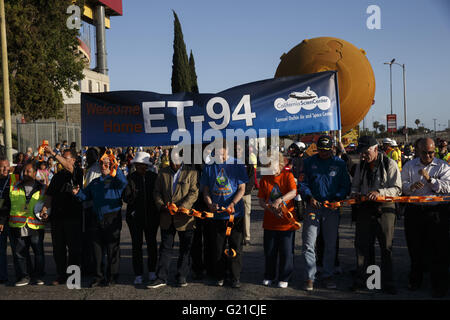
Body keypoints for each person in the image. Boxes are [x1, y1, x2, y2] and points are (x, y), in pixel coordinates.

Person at [350, 136, 402, 294]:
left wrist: (380, 193)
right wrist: (355, 194)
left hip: (385, 209)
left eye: (366, 152)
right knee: (364, 246)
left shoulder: (389, 164)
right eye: (361, 153)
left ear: (376, 149)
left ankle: (387, 282)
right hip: (365, 209)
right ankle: (370, 280)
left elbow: (397, 189)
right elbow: (354, 186)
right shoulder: (362, 166)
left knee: (385, 247)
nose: (363, 156)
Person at [299, 135, 351, 291]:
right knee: (308, 243)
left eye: (327, 151)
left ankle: (328, 274)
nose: (323, 153)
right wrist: (309, 197)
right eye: (321, 150)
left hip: (331, 208)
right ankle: (310, 276)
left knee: (330, 243)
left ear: (332, 149)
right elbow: (302, 183)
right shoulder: (308, 162)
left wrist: (337, 198)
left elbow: (345, 186)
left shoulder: (339, 163)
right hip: (313, 207)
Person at [401, 138, 450, 298]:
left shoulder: (443, 166)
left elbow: (447, 187)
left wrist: (430, 180)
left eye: (431, 152)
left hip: (437, 213)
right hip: (415, 212)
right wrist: (411, 187)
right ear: (417, 151)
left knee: (439, 250)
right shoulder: (409, 166)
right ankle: (415, 280)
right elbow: (403, 186)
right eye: (424, 152)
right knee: (415, 248)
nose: (428, 155)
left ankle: (439, 285)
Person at [73, 152, 127, 287]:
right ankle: (98, 276)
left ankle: (112, 277)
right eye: (102, 164)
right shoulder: (95, 182)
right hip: (96, 218)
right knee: (97, 250)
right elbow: (85, 196)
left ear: (112, 165)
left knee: (112, 249)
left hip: (112, 218)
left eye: (107, 164)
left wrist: (116, 168)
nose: (104, 166)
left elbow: (124, 183)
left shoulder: (116, 180)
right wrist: (77, 193)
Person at [148, 149, 199, 288]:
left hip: (184, 217)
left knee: (185, 248)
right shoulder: (163, 172)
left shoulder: (191, 172)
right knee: (165, 248)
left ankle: (181, 276)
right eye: (171, 160)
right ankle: (161, 277)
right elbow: (156, 192)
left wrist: (182, 207)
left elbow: (194, 192)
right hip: (166, 216)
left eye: (176, 161)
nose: (174, 163)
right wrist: (162, 206)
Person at [201, 141, 248, 288]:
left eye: (223, 155)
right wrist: (209, 204)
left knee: (235, 246)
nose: (221, 157)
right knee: (218, 247)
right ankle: (219, 275)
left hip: (235, 214)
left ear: (228, 153)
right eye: (218, 155)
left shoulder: (237, 164)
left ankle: (234, 277)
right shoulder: (209, 167)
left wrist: (233, 203)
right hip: (217, 215)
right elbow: (206, 190)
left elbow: (242, 188)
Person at [40, 147, 83, 286]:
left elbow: (68, 166)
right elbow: (49, 195)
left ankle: (73, 277)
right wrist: (45, 208)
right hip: (57, 218)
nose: (62, 160)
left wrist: (53, 153)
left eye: (66, 157)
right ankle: (61, 274)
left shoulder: (77, 172)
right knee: (58, 248)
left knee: (74, 248)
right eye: (62, 157)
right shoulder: (58, 176)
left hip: (72, 217)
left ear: (74, 160)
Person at [257, 151, 297, 288]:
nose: (269, 167)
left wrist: (280, 200)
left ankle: (285, 277)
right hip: (270, 221)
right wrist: (270, 208)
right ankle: (269, 275)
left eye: (271, 164)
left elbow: (293, 192)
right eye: (266, 165)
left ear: (279, 163)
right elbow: (261, 200)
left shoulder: (288, 175)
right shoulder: (264, 178)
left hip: (286, 221)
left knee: (286, 252)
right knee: (270, 251)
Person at [122, 152, 159, 286]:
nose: (139, 167)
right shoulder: (129, 178)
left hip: (152, 217)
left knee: (152, 244)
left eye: (142, 165)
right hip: (135, 218)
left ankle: (152, 271)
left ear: (146, 165)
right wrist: (132, 195)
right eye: (137, 165)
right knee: (136, 246)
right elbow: (125, 197)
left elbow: (158, 195)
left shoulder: (154, 177)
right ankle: (138, 274)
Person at [7, 162, 46, 286]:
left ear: (35, 173)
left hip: (35, 225)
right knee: (20, 252)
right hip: (18, 225)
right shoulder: (15, 185)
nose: (26, 173)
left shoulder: (43, 187)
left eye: (29, 171)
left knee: (38, 252)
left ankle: (38, 276)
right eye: (24, 171)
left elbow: (47, 205)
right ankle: (24, 277)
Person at [236, 142, 255, 246]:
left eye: (239, 149)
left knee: (246, 215)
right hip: (234, 194)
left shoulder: (248, 162)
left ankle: (247, 237)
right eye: (236, 149)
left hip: (246, 194)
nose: (237, 151)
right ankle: (236, 236)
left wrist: (245, 191)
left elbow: (251, 177)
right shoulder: (232, 162)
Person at [0, 157, 12, 284]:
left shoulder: (14, 180)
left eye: (7, 166)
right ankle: (2, 276)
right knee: (1, 250)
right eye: (2, 166)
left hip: (13, 220)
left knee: (18, 250)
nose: (5, 169)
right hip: (1, 221)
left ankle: (23, 275)